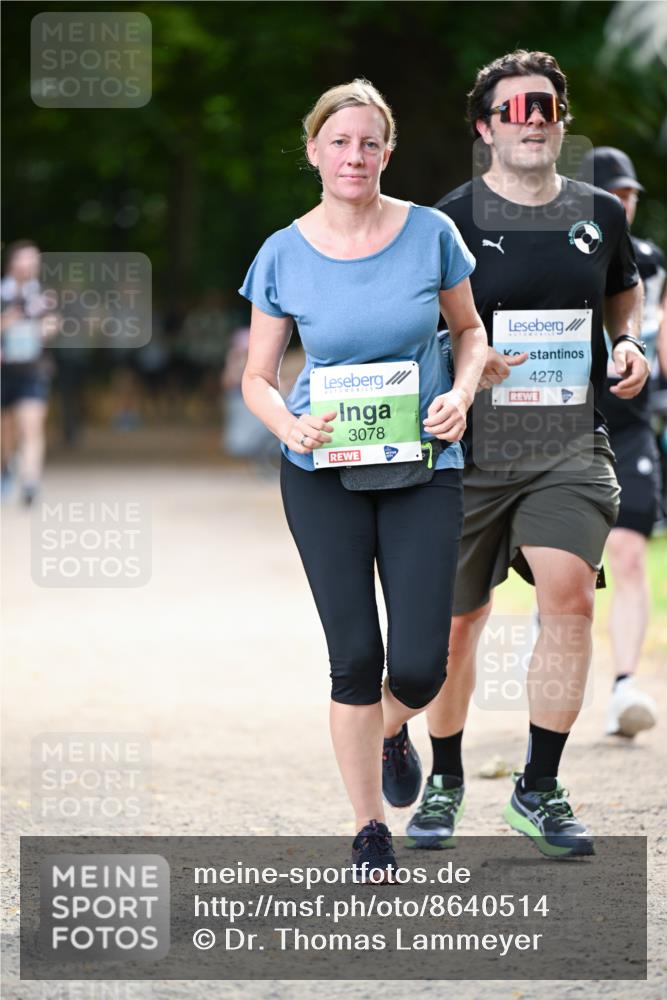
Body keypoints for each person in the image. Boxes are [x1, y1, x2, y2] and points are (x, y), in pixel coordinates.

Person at [380, 51, 648, 858]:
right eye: (515, 110)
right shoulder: (447, 222)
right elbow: (413, 325)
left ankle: (538, 786)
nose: (532, 121)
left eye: (545, 110)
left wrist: (628, 344)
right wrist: (466, 360)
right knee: (457, 628)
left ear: (560, 123)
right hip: (467, 447)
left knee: (567, 598)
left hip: (565, 442)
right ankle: (445, 776)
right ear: (485, 127)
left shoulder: (600, 210)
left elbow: (621, 290)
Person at [239, 79, 486, 878]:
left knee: (417, 664)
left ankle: (387, 727)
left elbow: (470, 331)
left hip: (421, 465)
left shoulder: (431, 233)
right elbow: (257, 377)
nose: (355, 156)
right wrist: (288, 425)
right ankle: (367, 827)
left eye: (369, 142)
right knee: (353, 658)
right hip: (321, 470)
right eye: (339, 142)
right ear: (313, 150)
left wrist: (458, 389)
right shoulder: (282, 251)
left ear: (387, 152)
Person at [580, 147, 665, 738]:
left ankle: (624, 687)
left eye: (630, 193)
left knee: (630, 555)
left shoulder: (653, 262)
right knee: (566, 573)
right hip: (567, 424)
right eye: (614, 193)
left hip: (632, 422)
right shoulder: (562, 251)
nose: (625, 202)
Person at [1, 240, 59, 505]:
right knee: (5, 431)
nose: (28, 265)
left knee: (31, 427)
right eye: (23, 259)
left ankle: (30, 483)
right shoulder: (2, 294)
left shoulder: (45, 296)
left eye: (33, 260)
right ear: (12, 263)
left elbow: (53, 325)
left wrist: (45, 328)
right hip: (4, 372)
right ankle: (6, 467)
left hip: (32, 371)